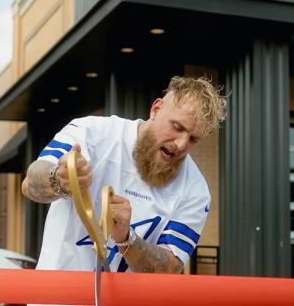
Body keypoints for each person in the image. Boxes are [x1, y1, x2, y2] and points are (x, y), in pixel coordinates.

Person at [21, 76, 226, 274]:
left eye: (193, 139)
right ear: (156, 109)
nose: (181, 144)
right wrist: (60, 180)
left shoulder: (195, 190)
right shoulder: (91, 132)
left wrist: (127, 238)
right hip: (57, 297)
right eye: (177, 127)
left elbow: (171, 268)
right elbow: (30, 184)